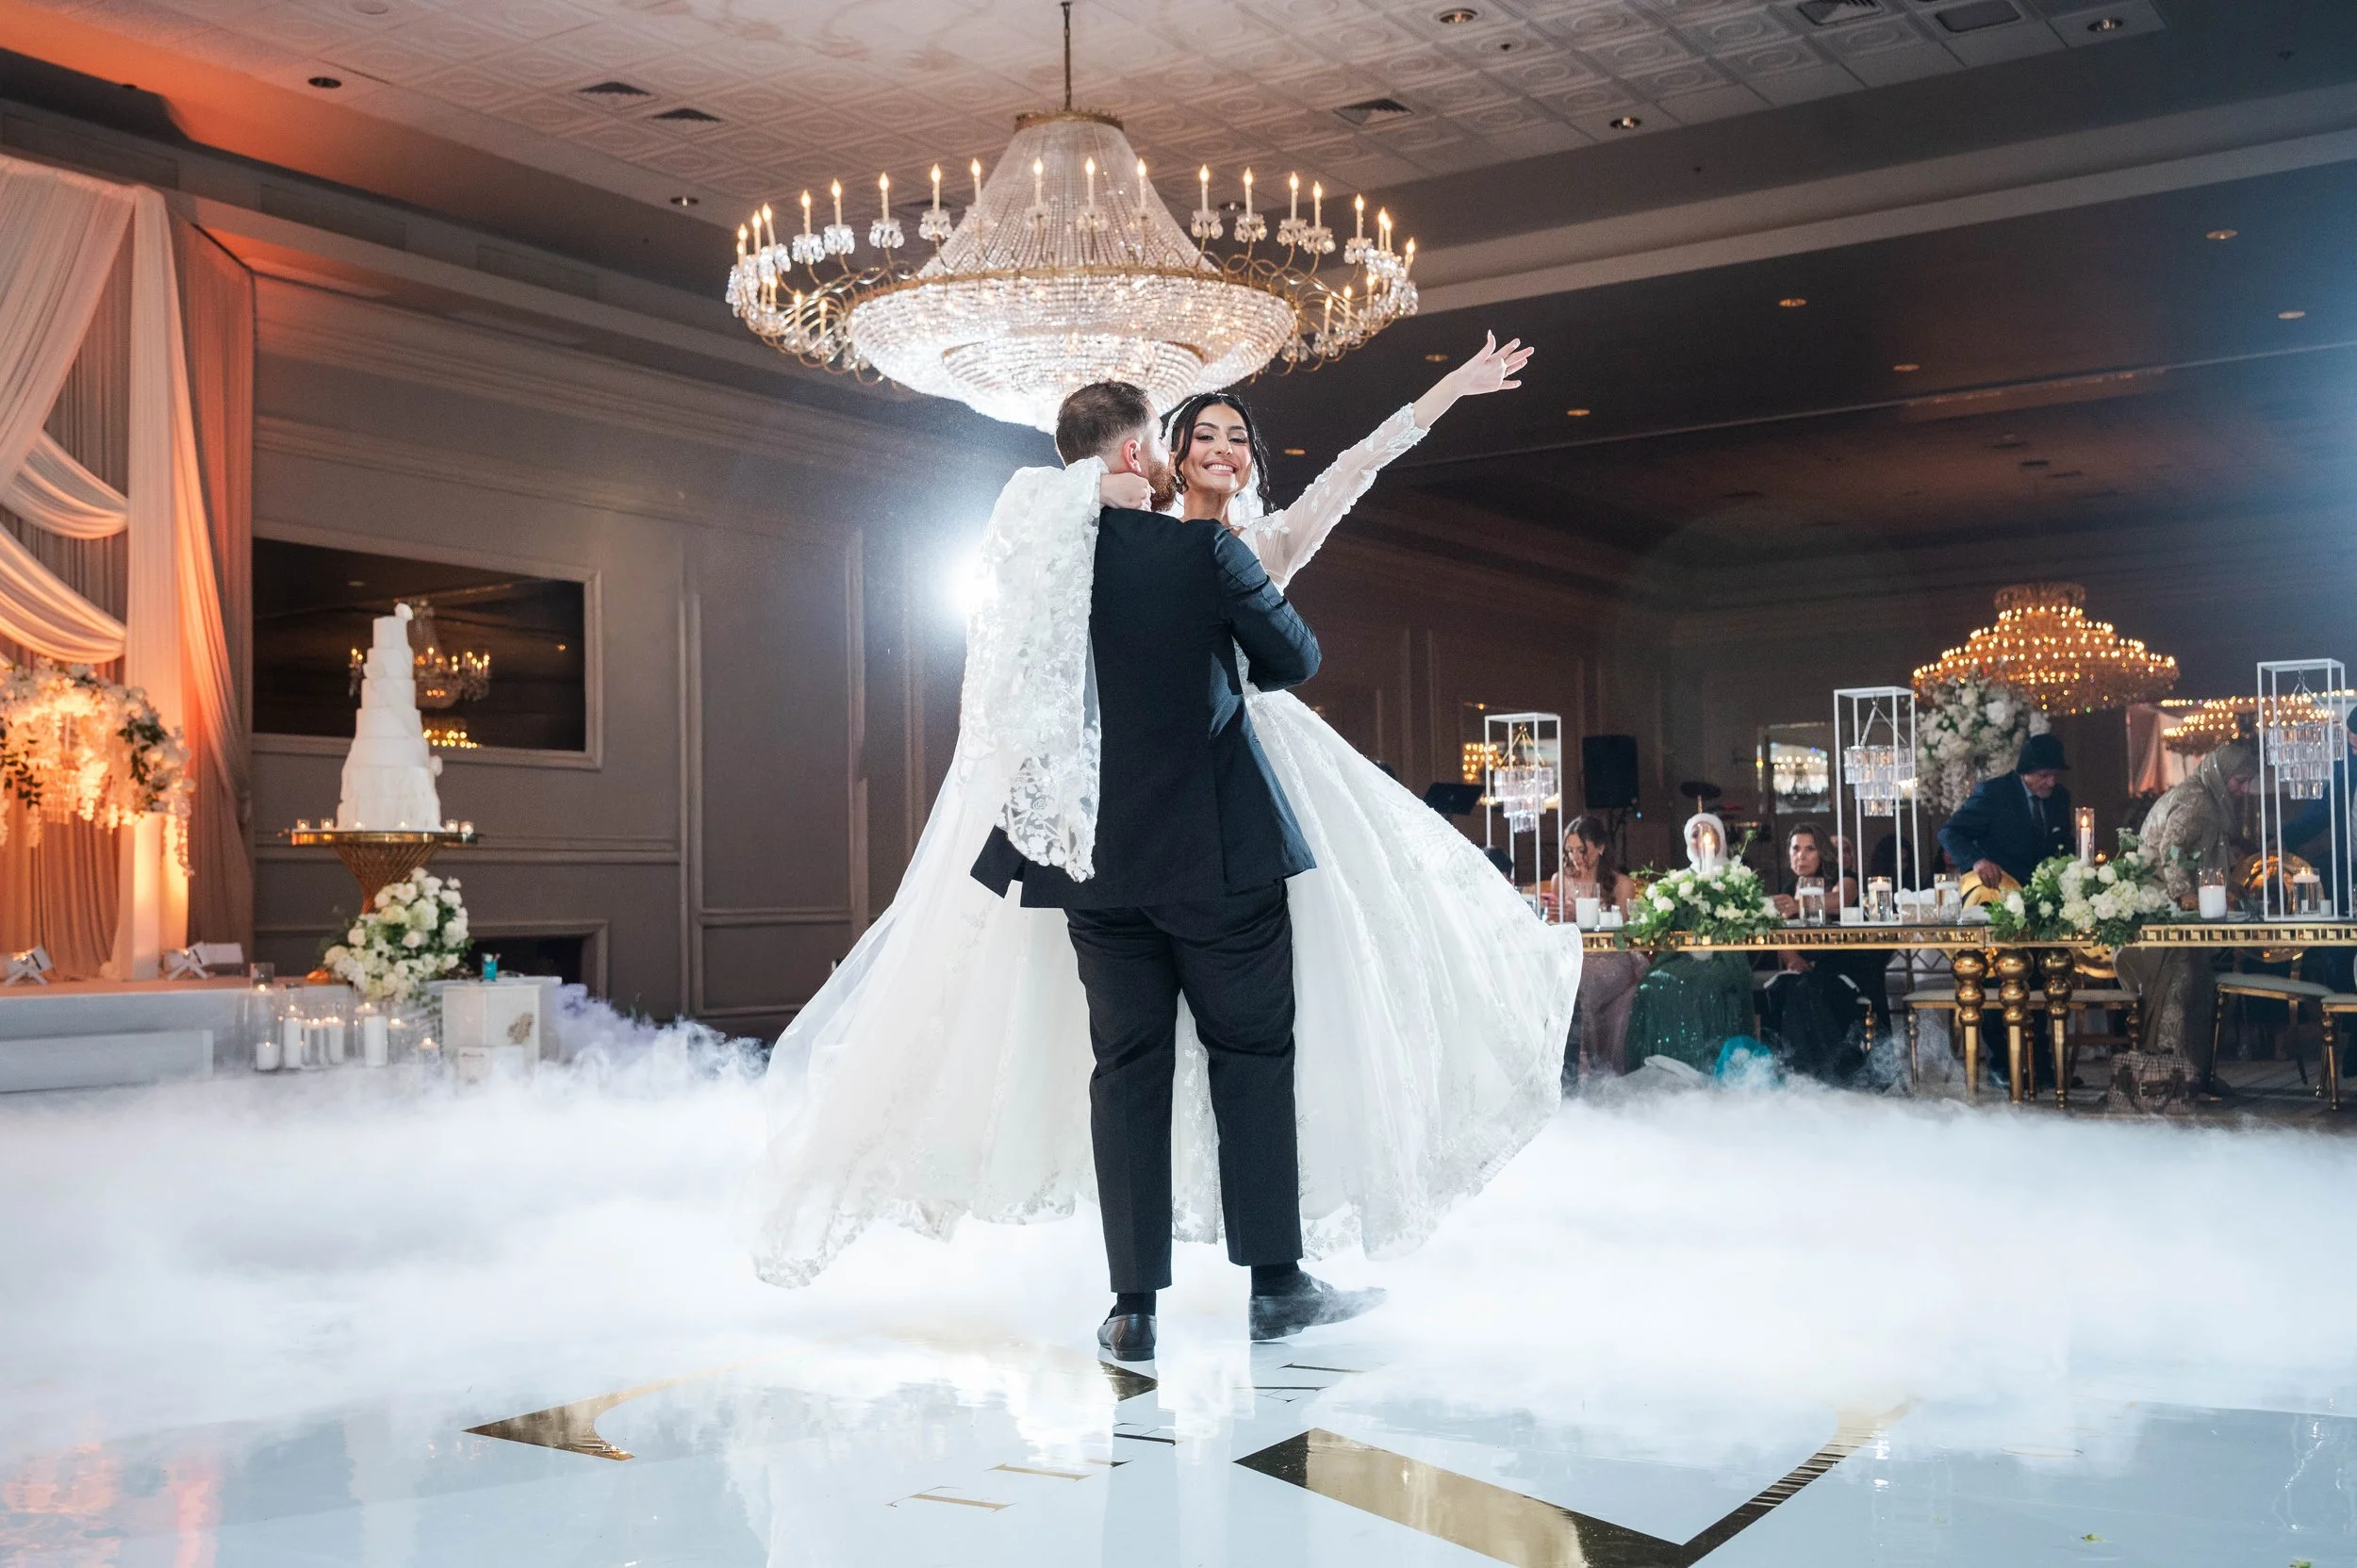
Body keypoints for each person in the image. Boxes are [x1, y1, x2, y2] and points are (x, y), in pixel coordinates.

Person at [750, 339, 1581, 1358]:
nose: (1219, 448)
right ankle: (1275, 1281)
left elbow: (1021, 707)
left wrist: (1442, 394)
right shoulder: (1206, 552)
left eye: (1237, 437)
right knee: (1251, 1054)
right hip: (1219, 842)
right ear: (1158, 452)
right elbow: (1293, 662)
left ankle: (1131, 1305)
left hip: (1094, 857)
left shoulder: (1042, 561)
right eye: (1199, 435)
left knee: (1127, 1069)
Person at [2115, 740, 2257, 1077]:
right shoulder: (2197, 801)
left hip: (2173, 913)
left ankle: (2193, 1075)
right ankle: (2170, 1075)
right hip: (2161, 917)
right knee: (2181, 985)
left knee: (2197, 982)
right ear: (2222, 775)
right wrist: (2185, 897)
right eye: (2239, 781)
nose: (2242, 790)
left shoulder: (2208, 796)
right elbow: (2171, 852)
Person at [1550, 815, 1644, 1076]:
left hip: (1612, 957)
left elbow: (1621, 934)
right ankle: (1564, 1069)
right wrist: (1560, 918)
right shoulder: (1561, 880)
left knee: (1583, 982)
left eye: (1582, 850)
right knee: (1564, 978)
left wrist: (1580, 915)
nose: (1575, 857)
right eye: (1569, 850)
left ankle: (1587, 1069)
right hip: (1576, 955)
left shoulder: (1621, 884)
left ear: (1601, 848)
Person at [1937, 733, 2074, 889]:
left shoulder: (2059, 796)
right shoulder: (1994, 793)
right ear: (2025, 772)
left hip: (2046, 893)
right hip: (2000, 891)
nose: (2051, 782)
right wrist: (1978, 861)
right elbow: (1950, 832)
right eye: (2044, 775)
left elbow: (2064, 841)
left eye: (2055, 775)